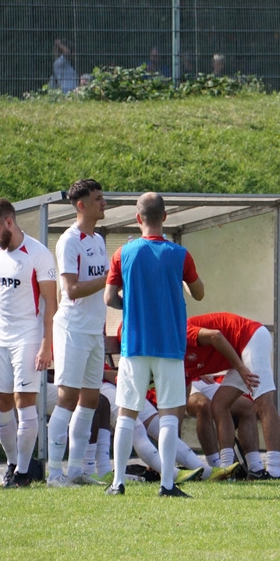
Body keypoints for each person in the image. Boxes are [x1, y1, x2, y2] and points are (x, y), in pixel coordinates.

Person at [104, 192, 205, 497]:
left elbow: (109, 297)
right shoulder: (180, 255)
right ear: (165, 217)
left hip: (134, 343)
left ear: (138, 219)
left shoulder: (123, 253)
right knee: (169, 414)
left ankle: (118, 483)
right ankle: (167, 485)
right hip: (169, 345)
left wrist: (132, 305)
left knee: (126, 413)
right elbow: (199, 293)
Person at [0, 199, 57, 488]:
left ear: (9, 222)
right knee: (2, 402)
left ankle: (23, 472)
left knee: (25, 402)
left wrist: (47, 343)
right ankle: (12, 464)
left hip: (28, 337)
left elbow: (51, 303)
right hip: (1, 337)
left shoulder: (38, 254)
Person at [45, 179, 108, 487]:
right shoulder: (69, 240)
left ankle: (76, 470)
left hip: (94, 331)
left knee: (91, 400)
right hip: (72, 329)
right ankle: (54, 472)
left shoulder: (98, 239)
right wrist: (111, 278)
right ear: (81, 205)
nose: (103, 203)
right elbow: (71, 289)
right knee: (67, 398)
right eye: (97, 199)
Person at [184, 312, 280, 479]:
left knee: (263, 402)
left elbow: (215, 335)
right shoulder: (173, 358)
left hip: (251, 337)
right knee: (219, 404)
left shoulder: (181, 332)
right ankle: (232, 467)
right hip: (239, 353)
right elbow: (182, 402)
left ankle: (274, 470)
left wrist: (240, 368)